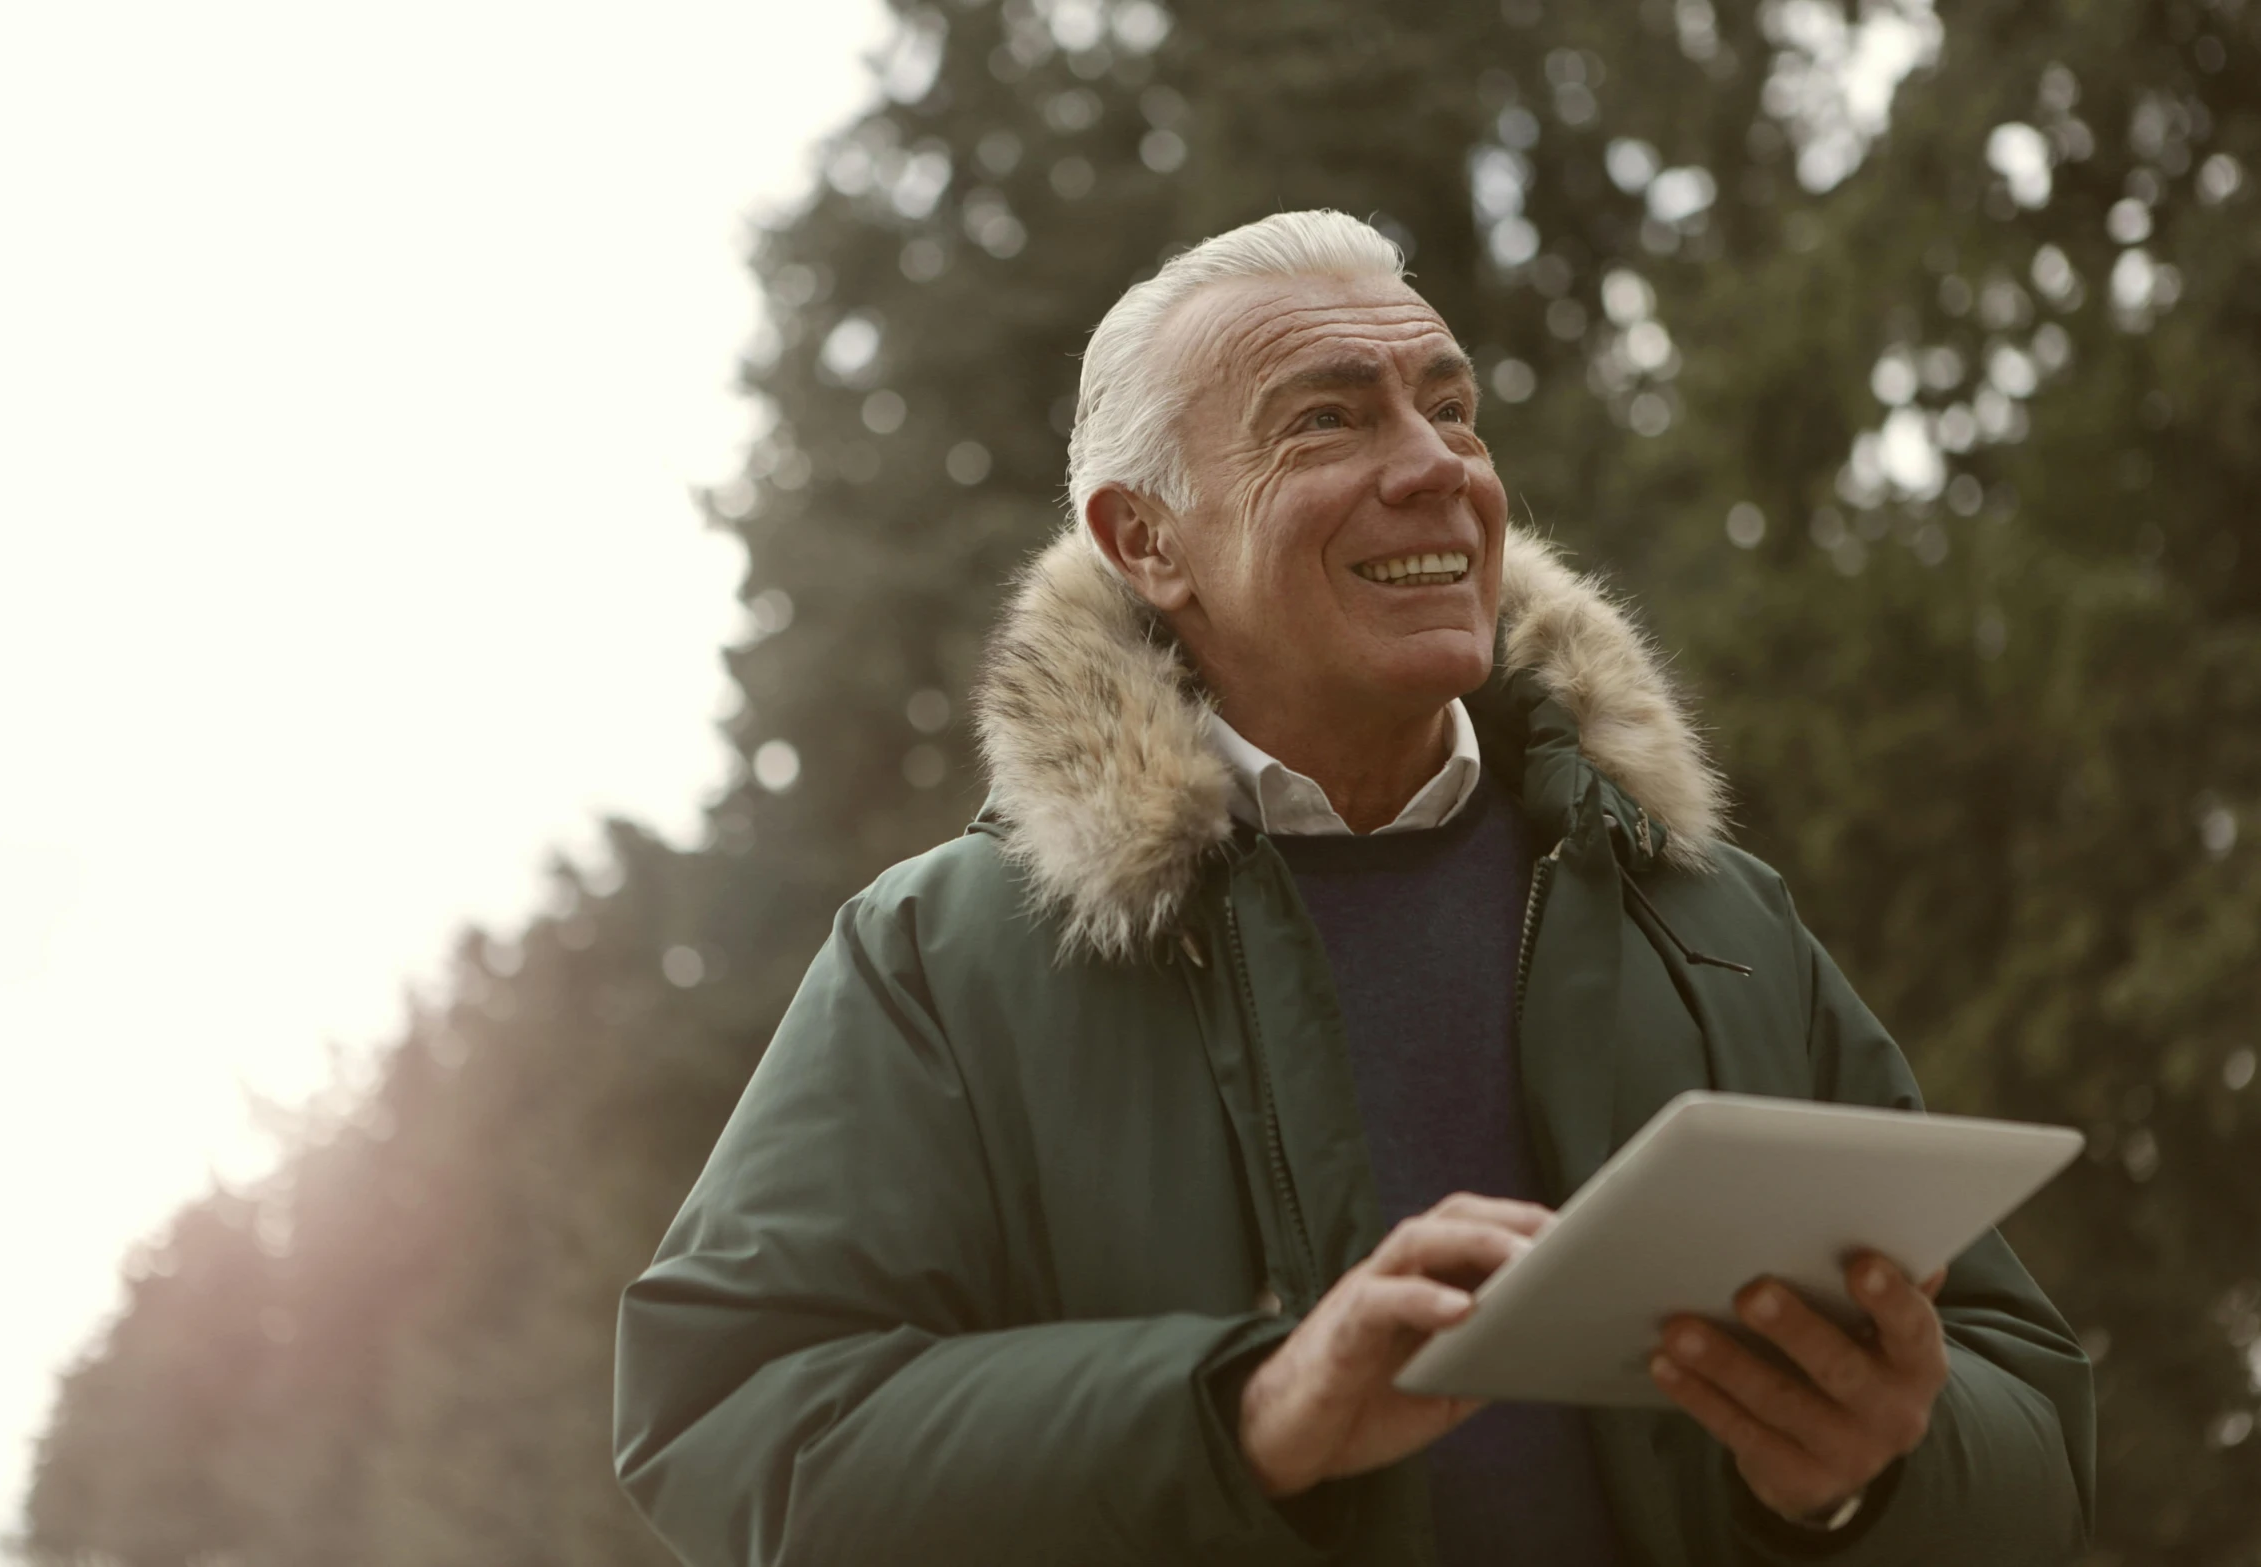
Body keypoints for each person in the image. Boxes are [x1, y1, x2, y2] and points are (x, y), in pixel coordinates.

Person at [613, 210, 2093, 1565]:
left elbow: (2031, 1420)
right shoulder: (942, 955)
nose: (1435, 464)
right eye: (1327, 419)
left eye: (1449, 406)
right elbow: (733, 1423)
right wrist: (1247, 1411)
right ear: (1146, 541)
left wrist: (1867, 1473)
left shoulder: (1715, 920)